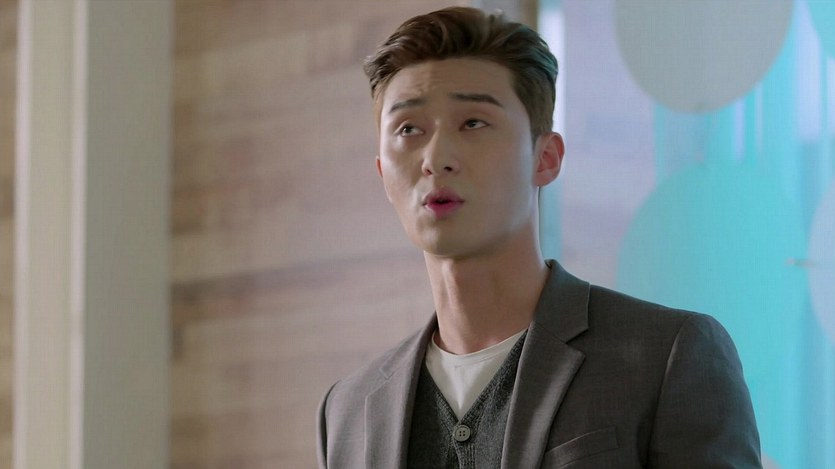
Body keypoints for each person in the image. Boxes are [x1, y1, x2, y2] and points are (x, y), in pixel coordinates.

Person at [316, 6, 761, 468]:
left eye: (473, 123)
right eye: (409, 129)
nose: (437, 158)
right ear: (382, 172)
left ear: (545, 158)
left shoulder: (668, 355)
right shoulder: (347, 412)